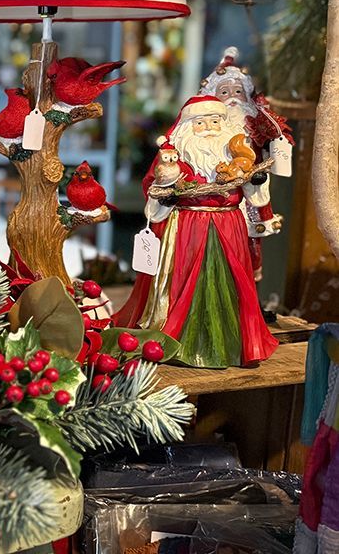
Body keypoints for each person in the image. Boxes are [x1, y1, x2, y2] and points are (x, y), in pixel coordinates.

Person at [114, 96, 278, 367]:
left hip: (228, 224)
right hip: (187, 227)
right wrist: (164, 198)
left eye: (215, 121)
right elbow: (155, 187)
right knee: (183, 277)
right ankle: (178, 335)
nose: (210, 128)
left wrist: (255, 182)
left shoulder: (238, 154)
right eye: (201, 122)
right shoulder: (175, 156)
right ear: (188, 126)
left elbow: (254, 193)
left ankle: (230, 340)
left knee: (230, 278)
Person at [199, 46, 293, 279]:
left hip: (251, 191)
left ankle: (249, 293)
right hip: (216, 194)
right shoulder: (204, 126)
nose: (232, 97)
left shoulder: (254, 122)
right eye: (224, 92)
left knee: (251, 243)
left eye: (238, 91)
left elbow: (276, 133)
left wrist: (262, 108)